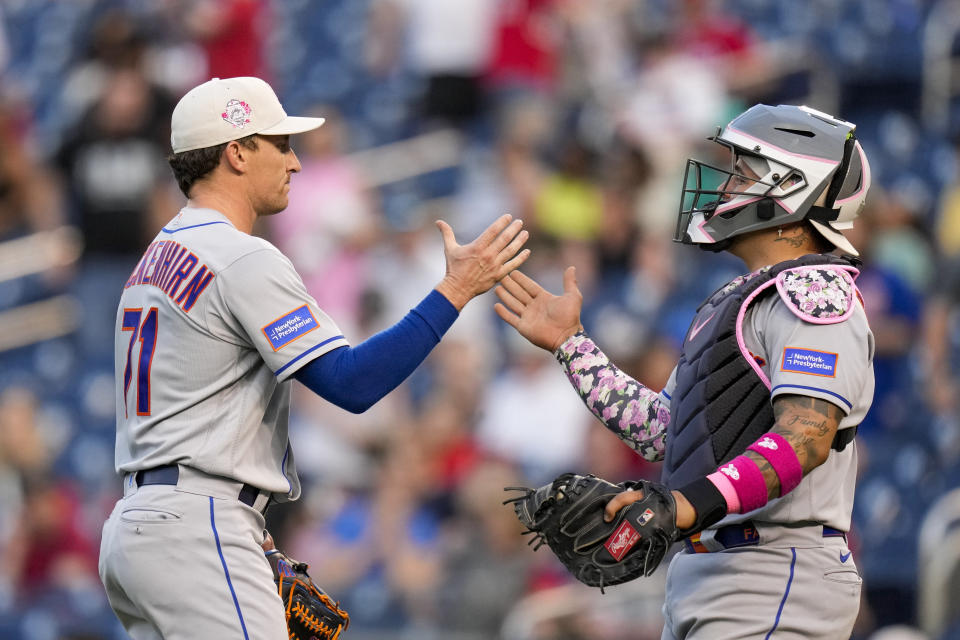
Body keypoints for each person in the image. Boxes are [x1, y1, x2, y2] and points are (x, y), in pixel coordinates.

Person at [97, 76, 529, 639]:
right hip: (198, 528)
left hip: (138, 528)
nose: (296, 163)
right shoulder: (240, 256)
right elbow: (352, 384)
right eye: (281, 145)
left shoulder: (154, 259)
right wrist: (455, 290)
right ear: (236, 152)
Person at [495, 103, 875, 639]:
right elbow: (666, 432)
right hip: (714, 570)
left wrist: (679, 505)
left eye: (744, 170)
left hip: (772, 568)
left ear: (792, 186)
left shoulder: (816, 294)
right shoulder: (739, 300)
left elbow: (804, 438)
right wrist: (569, 345)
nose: (723, 184)